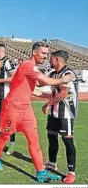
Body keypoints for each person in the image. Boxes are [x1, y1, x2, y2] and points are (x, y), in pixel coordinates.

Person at [0, 42, 74, 183]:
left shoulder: (33, 68)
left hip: (26, 109)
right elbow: (46, 80)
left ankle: (41, 172)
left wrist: (46, 96)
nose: (45, 56)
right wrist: (63, 79)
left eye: (47, 54)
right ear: (34, 52)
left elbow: (30, 89)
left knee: (34, 140)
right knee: (5, 135)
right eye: (43, 53)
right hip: (12, 108)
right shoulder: (27, 65)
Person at [36, 50, 78, 184]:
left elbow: (63, 94)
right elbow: (40, 83)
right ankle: (52, 163)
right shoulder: (53, 73)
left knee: (68, 142)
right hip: (54, 113)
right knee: (52, 137)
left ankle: (71, 172)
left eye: (52, 59)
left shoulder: (68, 73)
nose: (49, 61)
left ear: (58, 60)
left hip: (66, 114)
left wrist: (47, 103)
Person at [0, 44, 17, 154]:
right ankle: (0, 141)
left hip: (6, 96)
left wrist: (0, 81)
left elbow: (14, 77)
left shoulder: (7, 61)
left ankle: (12, 144)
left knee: (8, 120)